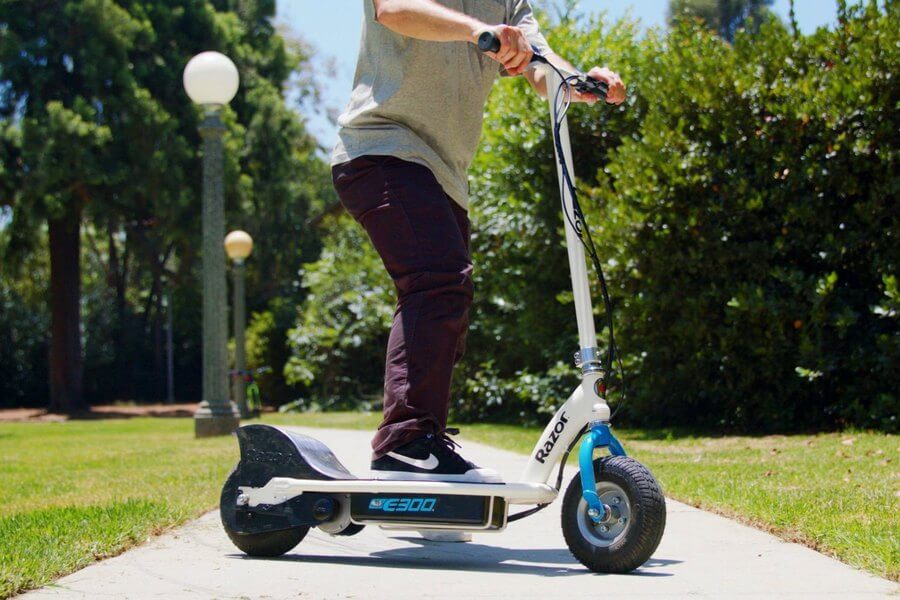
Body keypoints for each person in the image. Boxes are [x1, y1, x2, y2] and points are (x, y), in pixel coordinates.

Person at [331, 0, 626, 483]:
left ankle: (421, 449)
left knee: (447, 297)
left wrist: (580, 82)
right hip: (380, 147)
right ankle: (405, 442)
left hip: (444, 174)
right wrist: (479, 32)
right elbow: (391, 10)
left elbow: (539, 67)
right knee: (438, 281)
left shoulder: (510, 2)